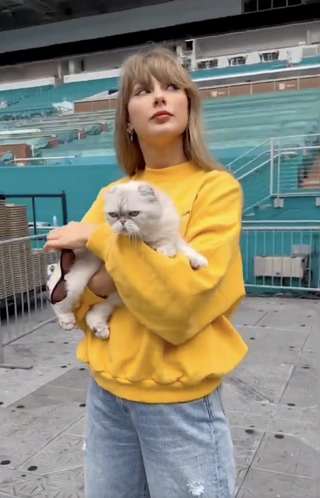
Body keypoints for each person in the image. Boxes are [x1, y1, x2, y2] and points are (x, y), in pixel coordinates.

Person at [45, 48, 248, 498]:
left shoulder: (216, 189)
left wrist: (100, 244)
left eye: (172, 87)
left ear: (189, 105)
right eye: (143, 91)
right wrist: (118, 276)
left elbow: (180, 304)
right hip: (107, 395)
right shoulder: (110, 193)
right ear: (128, 120)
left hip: (179, 401)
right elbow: (77, 293)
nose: (160, 97)